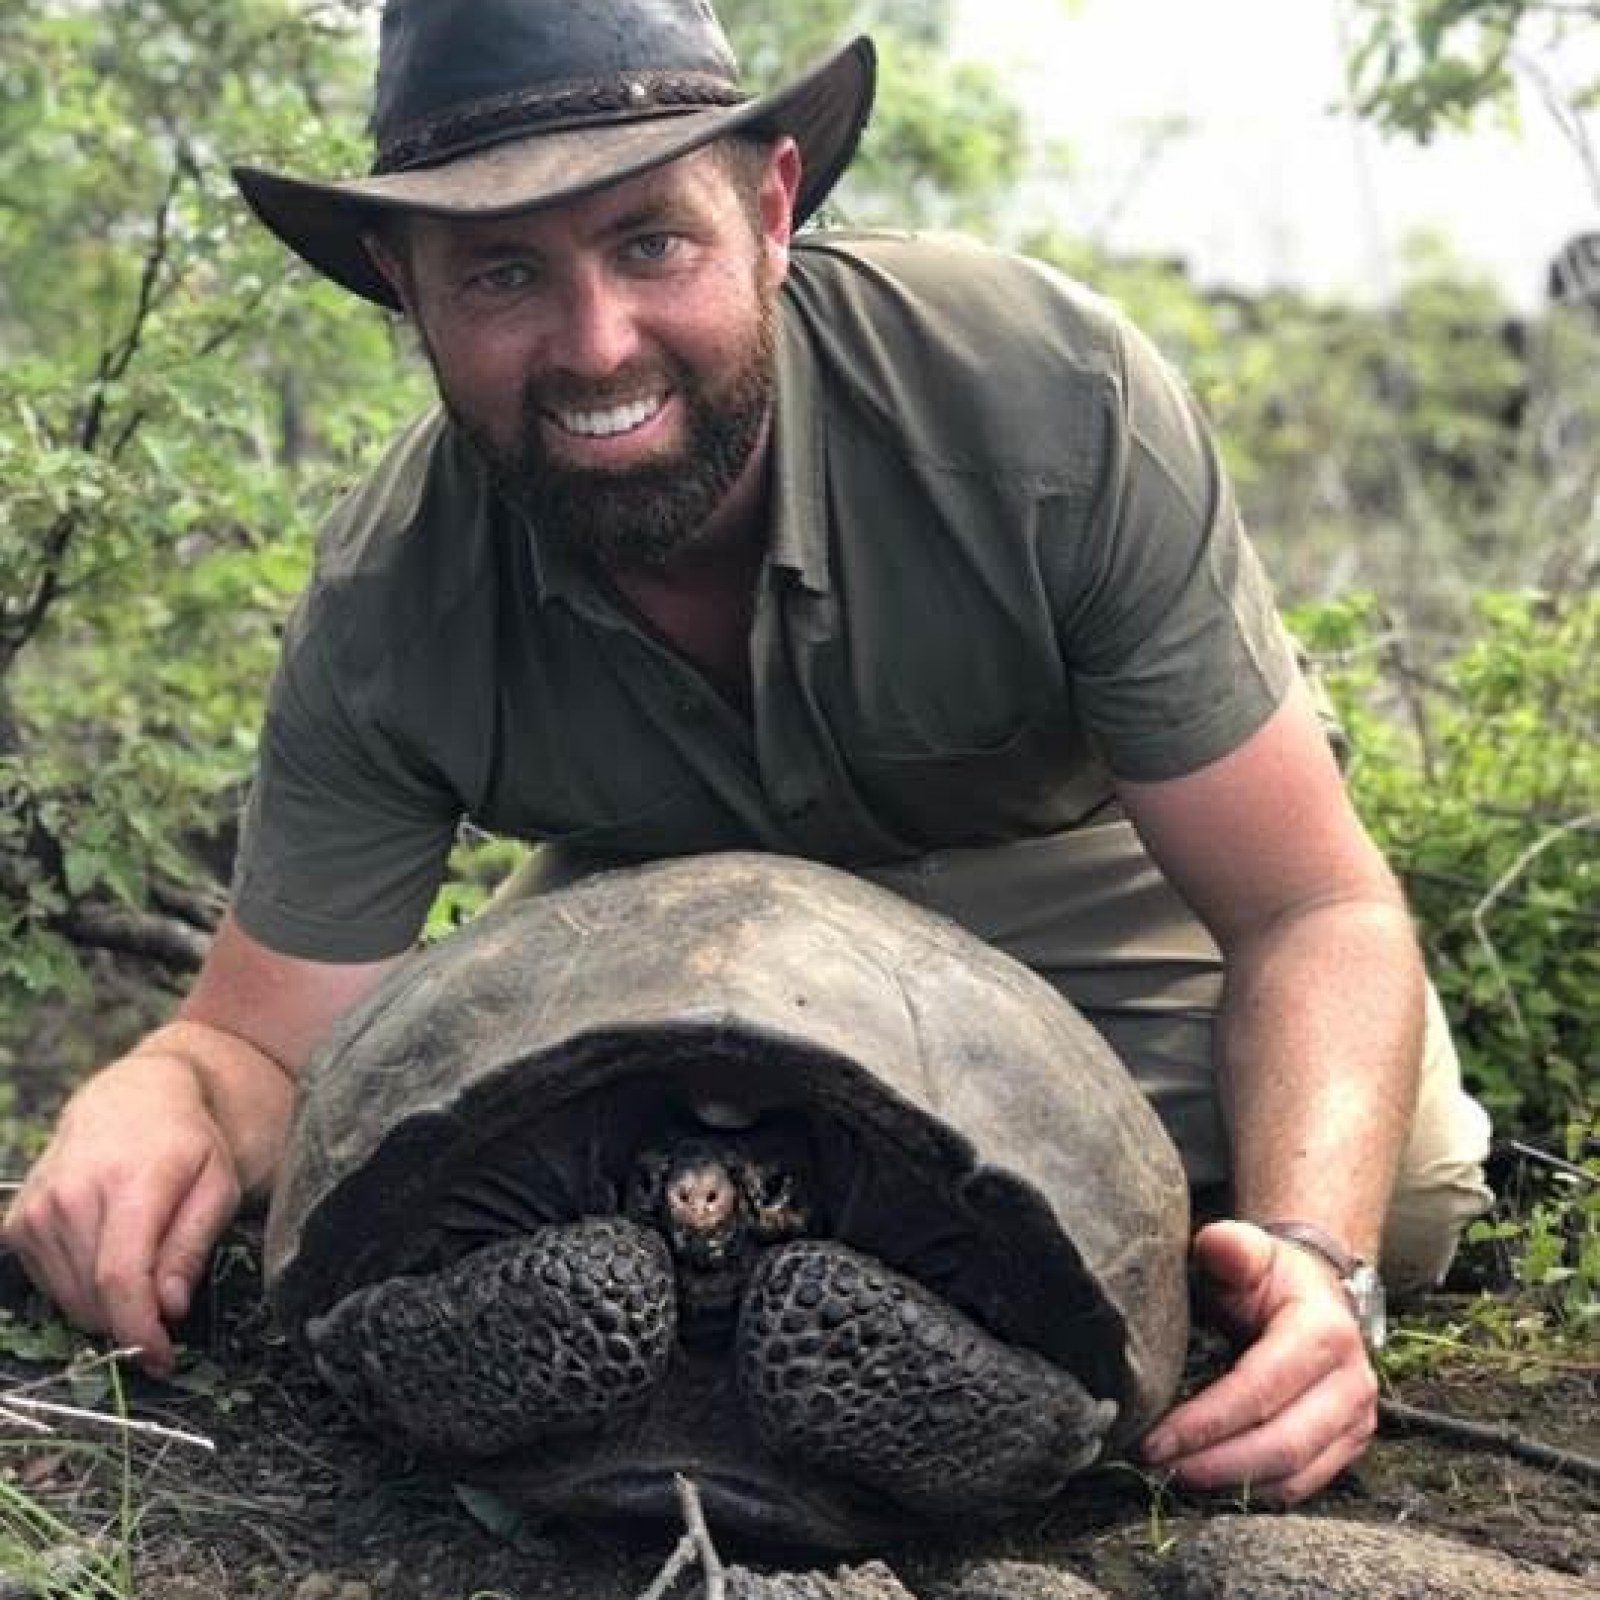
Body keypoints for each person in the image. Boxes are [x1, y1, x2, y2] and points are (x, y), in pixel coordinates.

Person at [3, 0, 1492, 1507]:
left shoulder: (1046, 400)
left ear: (774, 206)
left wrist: (1316, 1263)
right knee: (387, 1169)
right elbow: (258, 1044)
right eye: (503, 272)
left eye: (651, 243)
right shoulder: (396, 591)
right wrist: (159, 1095)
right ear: (406, 286)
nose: (596, 346)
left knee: (1402, 1187)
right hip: (655, 924)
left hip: (1060, 866)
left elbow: (1309, 910)